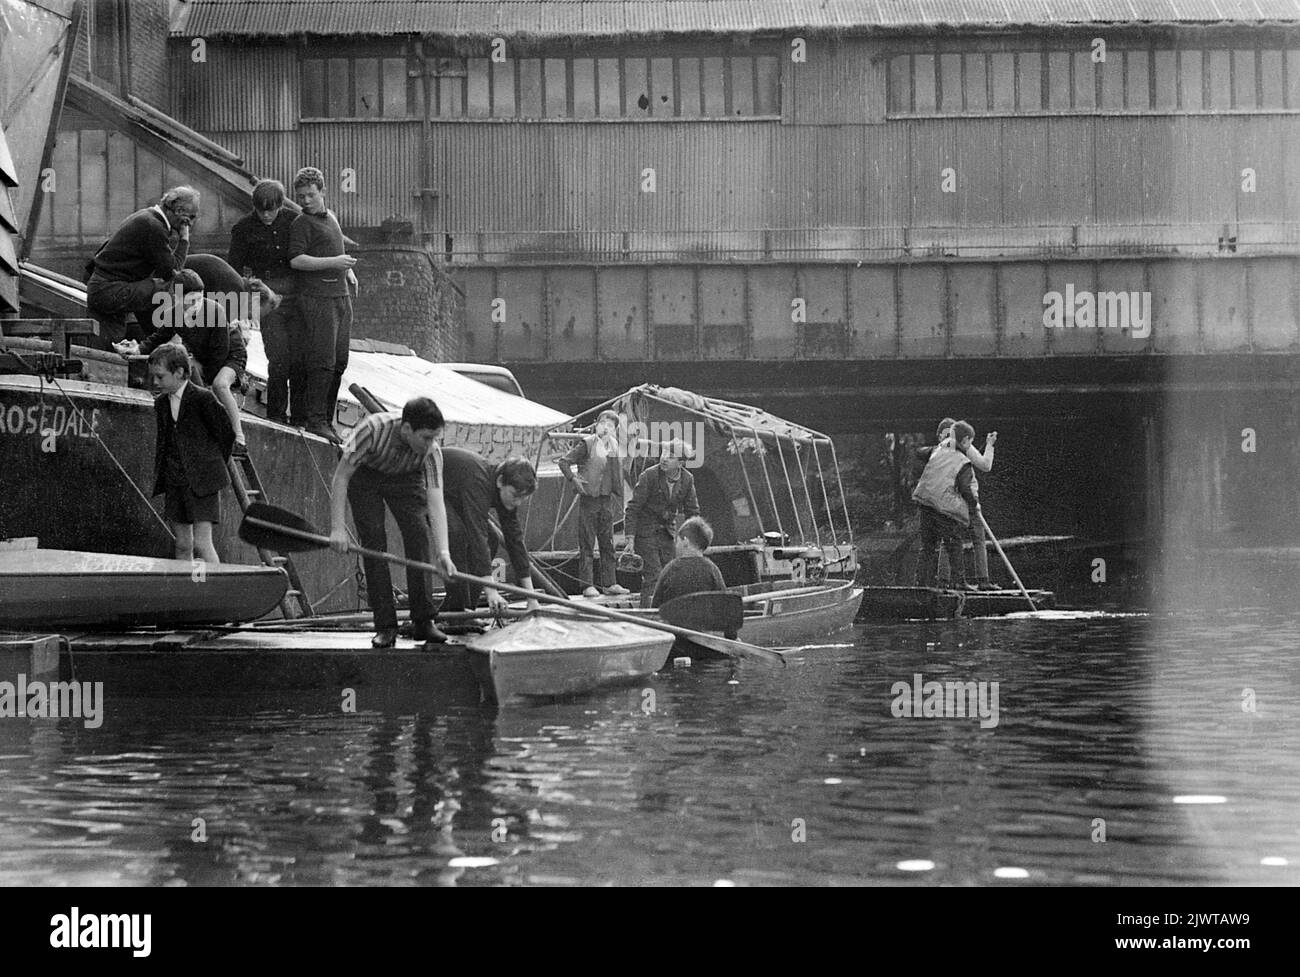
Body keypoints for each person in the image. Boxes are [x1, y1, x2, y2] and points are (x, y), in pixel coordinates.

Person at [327, 397, 456, 649]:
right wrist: (337, 528)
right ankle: (385, 626)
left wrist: (443, 552)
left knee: (418, 536)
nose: (431, 444)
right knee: (374, 545)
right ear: (407, 429)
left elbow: (435, 500)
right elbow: (341, 477)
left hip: (406, 479)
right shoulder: (372, 430)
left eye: (434, 438)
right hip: (365, 478)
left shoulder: (431, 453)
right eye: (426, 437)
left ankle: (423, 621)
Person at [148, 343, 234, 565]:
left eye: (160, 377)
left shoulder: (202, 398)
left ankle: (212, 590)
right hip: (176, 480)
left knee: (202, 544)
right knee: (183, 544)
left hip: (202, 482)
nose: (155, 382)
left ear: (179, 373)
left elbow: (226, 434)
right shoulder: (161, 404)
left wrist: (209, 466)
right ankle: (187, 590)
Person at [228, 180, 305, 426]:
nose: (267, 215)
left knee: (301, 361)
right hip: (269, 301)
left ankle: (301, 419)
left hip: (298, 298)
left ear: (280, 205)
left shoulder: (295, 221)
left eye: (271, 210)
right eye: (262, 210)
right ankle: (277, 418)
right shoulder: (242, 228)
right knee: (279, 360)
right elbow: (232, 271)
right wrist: (247, 283)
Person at [288, 166, 356, 443]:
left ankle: (326, 419)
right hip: (317, 299)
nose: (305, 201)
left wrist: (347, 269)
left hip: (340, 296)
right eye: (301, 196)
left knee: (339, 361)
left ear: (323, 192)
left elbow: (333, 250)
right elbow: (296, 260)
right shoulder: (301, 224)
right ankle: (315, 420)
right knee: (323, 362)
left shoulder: (332, 219)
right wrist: (335, 263)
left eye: (310, 195)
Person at [85, 187, 199, 347]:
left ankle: (153, 342)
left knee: (110, 347)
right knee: (170, 288)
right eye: (191, 217)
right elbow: (173, 272)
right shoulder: (154, 226)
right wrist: (184, 240)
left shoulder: (145, 216)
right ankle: (169, 344)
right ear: (179, 210)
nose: (191, 224)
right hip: (110, 290)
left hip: (103, 288)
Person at [441, 450, 540, 614]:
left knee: (493, 539)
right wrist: (491, 591)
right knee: (457, 534)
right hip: (430, 489)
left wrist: (532, 598)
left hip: (454, 495)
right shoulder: (479, 481)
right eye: (515, 496)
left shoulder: (506, 493)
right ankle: (456, 610)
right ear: (500, 481)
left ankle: (467, 609)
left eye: (522, 499)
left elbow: (515, 541)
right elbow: (477, 535)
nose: (517, 502)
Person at [558, 409, 630, 598]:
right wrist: (573, 479)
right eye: (603, 423)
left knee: (608, 543)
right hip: (589, 500)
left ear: (615, 429)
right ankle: (587, 584)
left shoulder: (615, 446)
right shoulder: (586, 444)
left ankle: (610, 583)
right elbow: (564, 462)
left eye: (610, 425)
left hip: (606, 501)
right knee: (587, 543)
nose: (606, 428)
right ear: (596, 425)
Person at [624, 440, 700, 607]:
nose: (664, 458)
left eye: (671, 456)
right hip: (645, 531)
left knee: (671, 574)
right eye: (664, 453)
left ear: (681, 463)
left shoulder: (687, 479)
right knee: (653, 575)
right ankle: (647, 616)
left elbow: (692, 512)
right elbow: (632, 508)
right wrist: (630, 538)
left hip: (667, 532)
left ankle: (669, 614)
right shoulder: (649, 475)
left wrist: (692, 542)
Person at [912, 420, 981, 591]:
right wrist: (974, 505)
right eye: (970, 443)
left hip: (925, 502)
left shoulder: (937, 450)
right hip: (943, 507)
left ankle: (920, 583)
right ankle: (959, 581)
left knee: (927, 546)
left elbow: (920, 452)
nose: (970, 446)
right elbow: (966, 488)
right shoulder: (963, 462)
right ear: (964, 441)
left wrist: (942, 445)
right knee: (954, 544)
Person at [651, 516, 726, 608]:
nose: (676, 546)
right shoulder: (713, 570)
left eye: (678, 541)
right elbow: (724, 604)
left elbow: (655, 608)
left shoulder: (669, 570)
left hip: (674, 621)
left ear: (685, 541)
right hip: (705, 621)